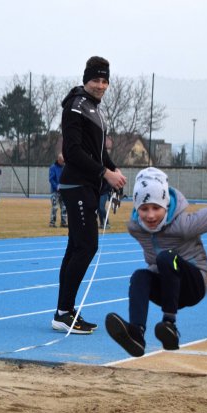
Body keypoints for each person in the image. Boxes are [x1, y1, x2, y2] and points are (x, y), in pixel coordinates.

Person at [105, 167, 207, 357]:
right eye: (144, 209)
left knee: (166, 258)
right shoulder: (136, 228)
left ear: (166, 206)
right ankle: (136, 333)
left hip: (194, 283)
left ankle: (169, 326)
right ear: (137, 208)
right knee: (139, 276)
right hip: (168, 288)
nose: (150, 216)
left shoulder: (184, 224)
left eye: (156, 208)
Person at [52, 56, 127, 334]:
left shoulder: (94, 108)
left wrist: (112, 168)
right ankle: (63, 313)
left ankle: (65, 310)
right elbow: (72, 152)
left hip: (87, 186)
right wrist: (104, 174)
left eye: (105, 80)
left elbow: (97, 151)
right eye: (96, 79)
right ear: (86, 79)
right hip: (77, 186)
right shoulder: (75, 106)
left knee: (76, 247)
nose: (101, 85)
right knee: (86, 246)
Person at [48, 154, 67, 228]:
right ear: (59, 160)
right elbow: (51, 179)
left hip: (64, 191)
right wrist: (56, 186)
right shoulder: (53, 167)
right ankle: (52, 223)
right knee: (55, 207)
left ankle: (63, 222)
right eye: (62, 161)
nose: (63, 163)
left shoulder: (65, 167)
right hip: (55, 191)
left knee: (64, 207)